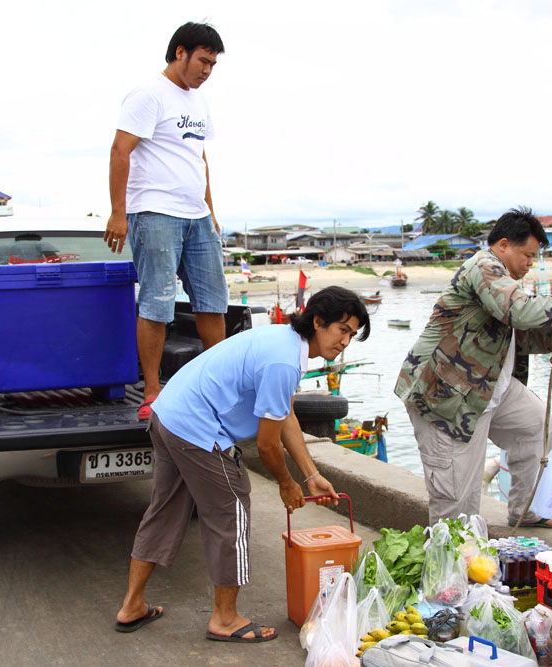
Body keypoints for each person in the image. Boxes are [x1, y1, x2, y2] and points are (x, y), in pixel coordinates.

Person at [114, 286, 371, 642]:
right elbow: (267, 445)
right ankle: (225, 618)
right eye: (342, 329)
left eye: (352, 334)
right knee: (231, 511)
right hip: (196, 428)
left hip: (168, 415)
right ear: (318, 321)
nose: (345, 341)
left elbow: (284, 416)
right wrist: (286, 483)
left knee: (164, 511)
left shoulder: (282, 340)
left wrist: (310, 475)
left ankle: (132, 606)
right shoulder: (284, 360)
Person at [394, 207, 552, 528]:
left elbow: (524, 335)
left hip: (487, 387)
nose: (530, 263)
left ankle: (527, 510)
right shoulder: (483, 266)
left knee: (536, 424)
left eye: (534, 257)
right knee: (458, 501)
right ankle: (447, 568)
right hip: (446, 395)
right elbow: (519, 311)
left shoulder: (505, 280)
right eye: (527, 255)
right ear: (503, 244)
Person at [103, 22, 229, 420]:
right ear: (180, 53)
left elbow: (200, 159)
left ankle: (217, 386)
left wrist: (211, 210)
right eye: (203, 61)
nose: (207, 71)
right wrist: (118, 213)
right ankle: (152, 390)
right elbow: (120, 151)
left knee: (213, 302)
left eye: (213, 64)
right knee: (157, 302)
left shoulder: (200, 102)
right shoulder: (148, 95)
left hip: (197, 216)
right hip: (155, 211)